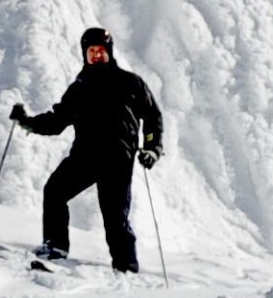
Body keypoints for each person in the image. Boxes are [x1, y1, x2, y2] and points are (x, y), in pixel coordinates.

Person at [10, 25, 163, 272]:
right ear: (85, 54)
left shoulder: (130, 82)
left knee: (114, 216)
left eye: (101, 51)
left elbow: (153, 116)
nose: (97, 55)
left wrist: (152, 147)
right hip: (85, 155)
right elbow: (56, 121)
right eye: (92, 51)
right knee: (55, 191)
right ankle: (55, 247)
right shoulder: (79, 88)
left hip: (117, 158)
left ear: (109, 52)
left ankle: (126, 266)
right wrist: (26, 122)